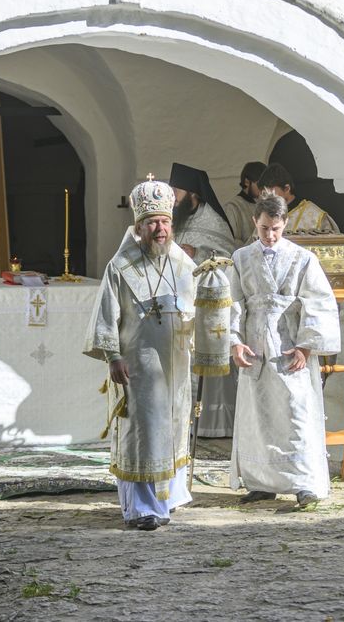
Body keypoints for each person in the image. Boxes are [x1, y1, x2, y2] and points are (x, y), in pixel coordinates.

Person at [83, 175, 197, 531]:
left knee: (172, 427)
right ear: (139, 227)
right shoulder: (120, 267)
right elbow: (106, 316)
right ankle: (143, 508)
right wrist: (113, 357)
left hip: (175, 365)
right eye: (152, 223)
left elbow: (198, 307)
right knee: (144, 433)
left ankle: (170, 497)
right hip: (138, 365)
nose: (160, 229)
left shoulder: (183, 263)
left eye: (164, 222)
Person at [228, 192, 341, 508]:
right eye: (264, 228)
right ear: (255, 222)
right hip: (255, 344)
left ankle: (303, 482)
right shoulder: (241, 258)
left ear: (285, 223)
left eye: (276, 229)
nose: (270, 235)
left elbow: (318, 301)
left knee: (295, 412)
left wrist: (306, 346)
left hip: (288, 342)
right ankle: (262, 481)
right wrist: (235, 341)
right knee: (258, 415)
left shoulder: (302, 259)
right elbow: (232, 302)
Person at [169, 162, 239, 437]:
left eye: (177, 192)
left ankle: (211, 423)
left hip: (208, 305)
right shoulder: (180, 218)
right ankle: (183, 420)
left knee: (206, 359)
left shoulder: (213, 220)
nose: (174, 198)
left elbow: (228, 259)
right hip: (183, 300)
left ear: (193, 193)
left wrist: (196, 252)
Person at [257, 162, 340, 235]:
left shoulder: (315, 216)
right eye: (264, 195)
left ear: (286, 189)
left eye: (271, 194)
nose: (266, 200)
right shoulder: (265, 215)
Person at [223, 161, 266, 246]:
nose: (263, 188)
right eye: (260, 184)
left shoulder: (263, 205)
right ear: (247, 182)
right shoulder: (232, 207)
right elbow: (230, 242)